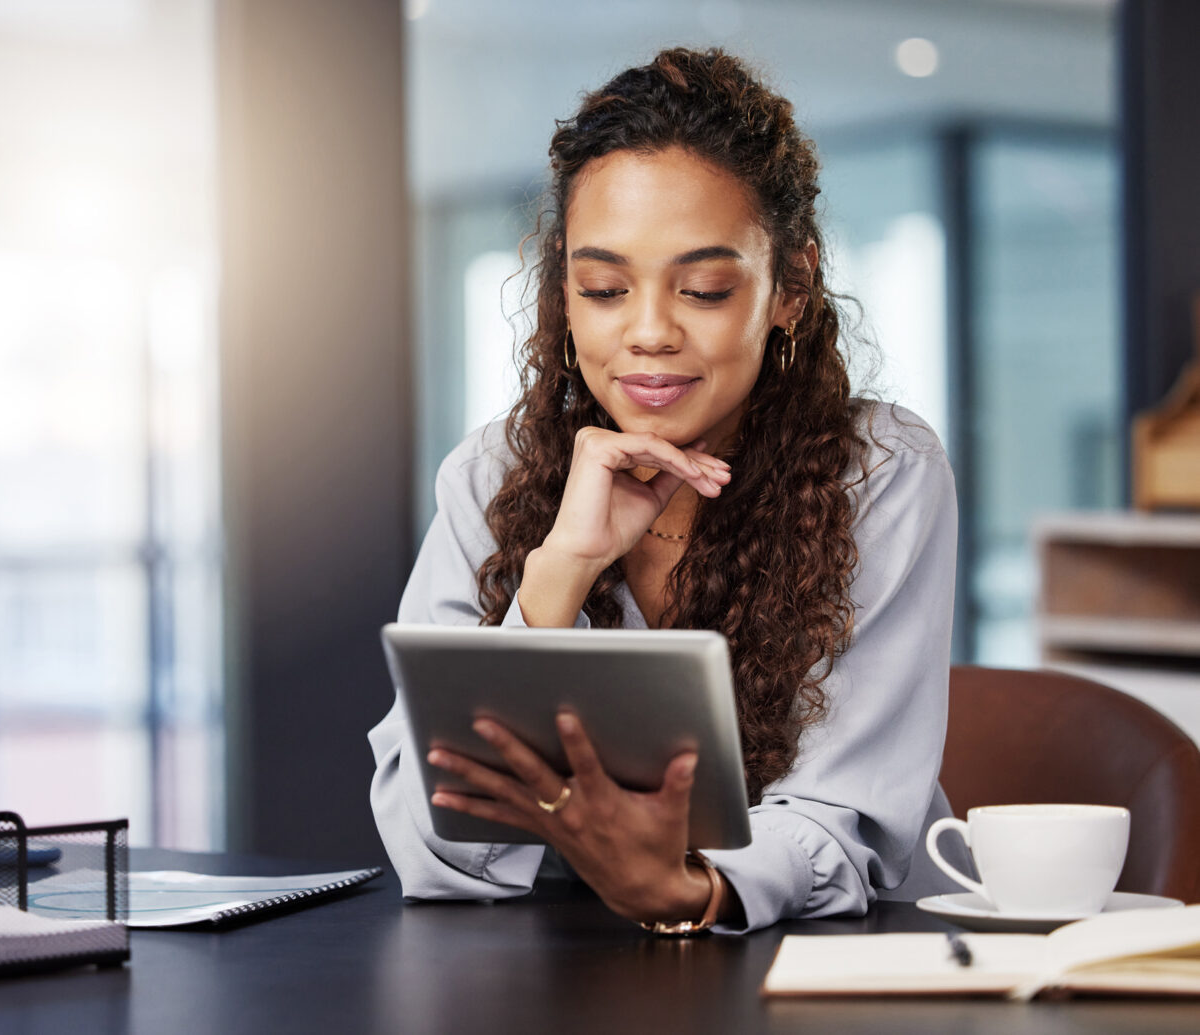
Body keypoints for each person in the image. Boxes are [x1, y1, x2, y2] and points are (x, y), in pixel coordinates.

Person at [368, 47, 960, 934]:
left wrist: (690, 891)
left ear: (789, 288)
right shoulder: (490, 475)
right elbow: (434, 847)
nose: (648, 332)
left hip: (836, 968)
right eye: (605, 288)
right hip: (572, 979)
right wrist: (557, 579)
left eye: (705, 289)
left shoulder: (879, 470)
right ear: (565, 295)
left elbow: (846, 820)